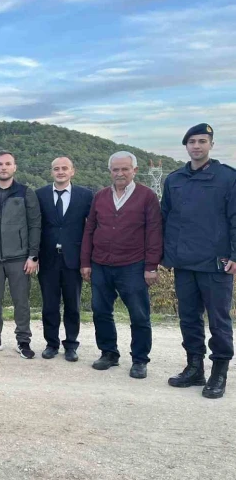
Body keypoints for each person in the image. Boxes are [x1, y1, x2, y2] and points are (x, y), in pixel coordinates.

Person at [164, 123, 235, 399]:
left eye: (202, 141)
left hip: (216, 262)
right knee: (189, 318)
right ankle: (195, 367)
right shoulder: (174, 179)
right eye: (192, 141)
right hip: (184, 261)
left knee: (218, 320)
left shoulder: (227, 177)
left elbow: (235, 219)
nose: (197, 146)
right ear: (186, 146)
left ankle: (219, 372)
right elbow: (167, 219)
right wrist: (168, 256)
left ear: (211, 145)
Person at [81, 151, 162, 379]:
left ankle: (139, 359)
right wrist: (85, 262)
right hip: (101, 264)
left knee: (139, 314)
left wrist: (151, 266)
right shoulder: (101, 196)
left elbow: (154, 232)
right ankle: (109, 353)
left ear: (134, 170)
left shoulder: (147, 196)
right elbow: (90, 229)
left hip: (133, 265)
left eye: (125, 169)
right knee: (100, 311)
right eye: (115, 169)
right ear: (110, 172)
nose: (120, 173)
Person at [0, 151, 41, 359]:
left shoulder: (26, 193)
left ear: (14, 167)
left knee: (21, 301)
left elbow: (35, 225)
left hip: (19, 258)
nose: (3, 167)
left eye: (7, 164)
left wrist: (33, 256)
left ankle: (23, 341)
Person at [35, 157, 92, 362]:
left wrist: (87, 260)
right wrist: (33, 256)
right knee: (49, 305)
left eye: (64, 168)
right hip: (47, 259)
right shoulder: (40, 194)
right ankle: (51, 344)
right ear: (51, 172)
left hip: (73, 260)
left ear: (72, 171)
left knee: (72, 305)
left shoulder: (85, 195)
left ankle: (71, 345)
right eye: (56, 169)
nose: (60, 172)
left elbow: (90, 229)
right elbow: (35, 227)